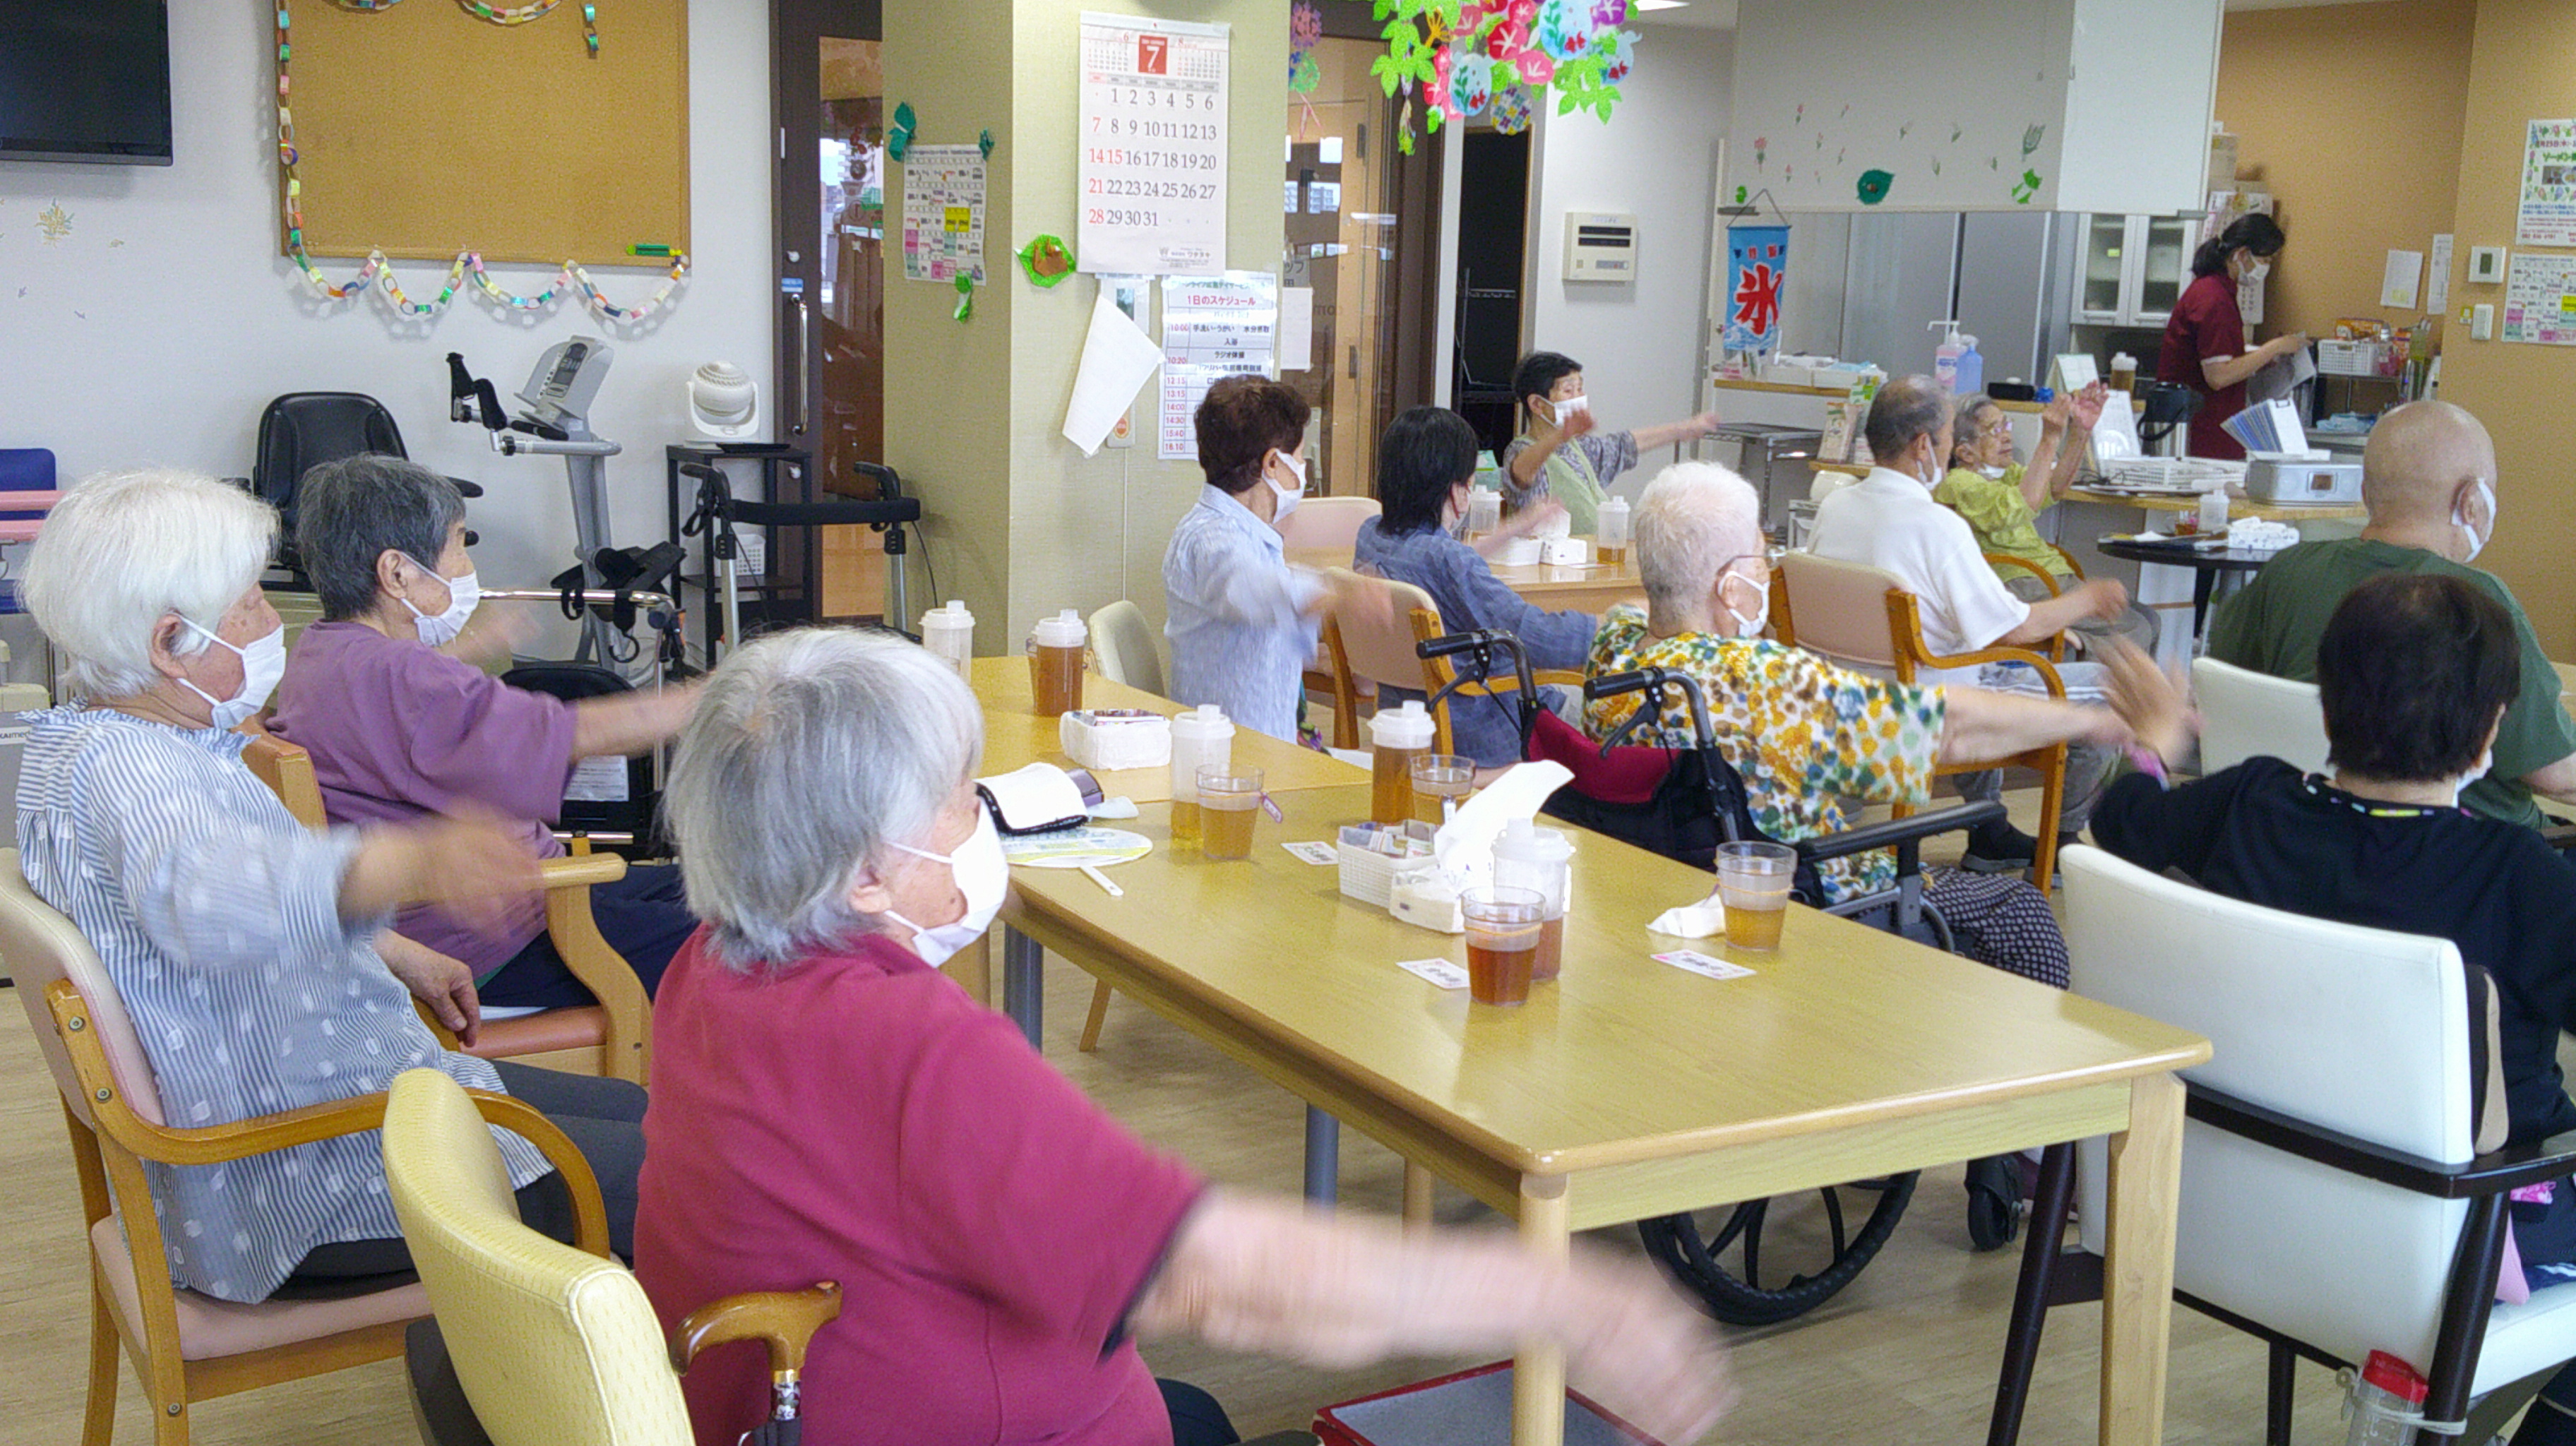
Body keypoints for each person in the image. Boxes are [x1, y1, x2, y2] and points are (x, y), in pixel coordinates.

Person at [635, 628, 1736, 1446]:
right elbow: (1220, 1279)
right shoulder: (908, 1046)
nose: (981, 817)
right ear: (867, 877)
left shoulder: (710, 970)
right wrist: (1563, 1294)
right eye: (959, 798)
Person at [13, 468, 648, 1303]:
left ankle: (499, 1354)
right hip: (308, 1178)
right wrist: (408, 861)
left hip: (330, 1099)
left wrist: (391, 947)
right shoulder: (137, 773)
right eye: (250, 603)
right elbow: (203, 896)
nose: (270, 621)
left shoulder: (89, 744)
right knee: (685, 1177)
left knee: (641, 1114)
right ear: (170, 643)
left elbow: (191, 893)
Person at [2095, 575, 2576, 1446]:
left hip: (2220, 1208)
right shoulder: (2519, 875)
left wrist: (2154, 744)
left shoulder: (2246, 803)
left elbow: (2126, 821)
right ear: (2491, 731)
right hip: (2453, 1243)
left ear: (2325, 705)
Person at [1590, 462, 2135, 991]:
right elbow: (1948, 730)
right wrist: (2097, 719)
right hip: (1820, 897)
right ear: (1729, 589)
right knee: (2021, 910)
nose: (1767, 571)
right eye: (1761, 558)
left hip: (1677, 879)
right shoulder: (1765, 682)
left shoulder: (1615, 647)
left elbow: (1644, 606)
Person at [268, 454, 700, 1012]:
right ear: (397, 573)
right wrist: (719, 695)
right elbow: (571, 732)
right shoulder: (409, 676)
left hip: (495, 908)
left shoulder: (321, 651)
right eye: (458, 543)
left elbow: (403, 708)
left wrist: (472, 647)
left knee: (705, 884)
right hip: (501, 941)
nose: (466, 565)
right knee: (744, 929)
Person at [1808, 376, 2131, 871]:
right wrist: (2088, 599)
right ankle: (2061, 843)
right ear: (1923, 446)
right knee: (2109, 685)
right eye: (1944, 440)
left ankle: (1989, 832)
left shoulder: (1834, 507)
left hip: (1846, 701)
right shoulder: (1937, 526)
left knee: (1969, 658)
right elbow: (2016, 630)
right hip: (1933, 709)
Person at [2206, 400, 2576, 830]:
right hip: (2463, 847)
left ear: (2366, 494)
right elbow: (2558, 776)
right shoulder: (2476, 603)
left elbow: (2224, 688)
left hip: (2298, 828)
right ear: (2471, 502)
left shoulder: (2286, 572)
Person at [1356, 406, 1597, 767]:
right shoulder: (1448, 561)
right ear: (1458, 492)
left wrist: (1514, 527)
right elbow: (1537, 640)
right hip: (1482, 729)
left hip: (1408, 723)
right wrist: (1612, 625)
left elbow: (1439, 564)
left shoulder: (1371, 536)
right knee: (1608, 703)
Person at [1164, 375, 1391, 742]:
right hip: (1229, 757)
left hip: (1265, 742)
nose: (1302, 467)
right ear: (1272, 463)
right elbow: (1251, 588)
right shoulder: (1211, 536)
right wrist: (1335, 594)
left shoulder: (1245, 532)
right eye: (1298, 457)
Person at [1936, 388, 2158, 653]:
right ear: (1966, 453)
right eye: (1995, 430)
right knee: (2135, 628)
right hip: (2022, 582)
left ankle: (2079, 646)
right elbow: (2023, 503)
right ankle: (2076, 651)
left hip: (2046, 576)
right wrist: (2049, 439)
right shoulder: (1959, 483)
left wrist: (2080, 431)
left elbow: (2054, 488)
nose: (2007, 435)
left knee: (2149, 618)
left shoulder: (2003, 474)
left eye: (2006, 425)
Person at [1500, 350, 1722, 535]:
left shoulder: (1579, 447)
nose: (1578, 397)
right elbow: (1523, 470)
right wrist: (1560, 436)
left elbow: (1626, 444)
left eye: (1580, 389)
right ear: (1537, 404)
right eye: (1568, 391)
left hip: (1590, 558)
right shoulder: (1520, 449)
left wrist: (1685, 429)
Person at [2158, 213, 2307, 460]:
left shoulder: (2215, 291)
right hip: (2200, 435)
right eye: (2264, 260)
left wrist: (2259, 360)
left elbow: (2217, 356)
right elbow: (2218, 376)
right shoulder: (2214, 298)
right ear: (2241, 254)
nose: (2265, 267)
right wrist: (2273, 348)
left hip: (2207, 430)